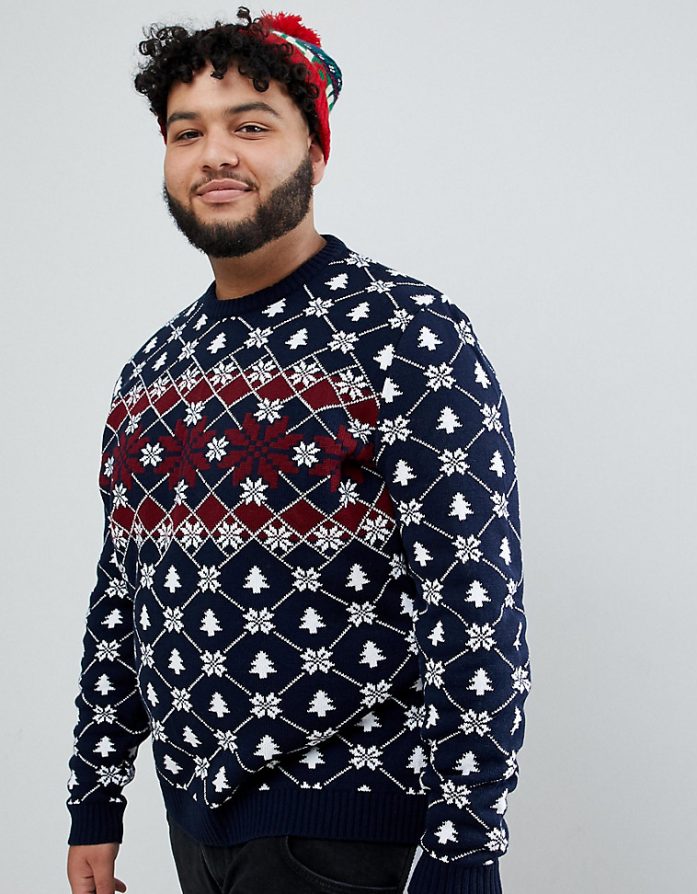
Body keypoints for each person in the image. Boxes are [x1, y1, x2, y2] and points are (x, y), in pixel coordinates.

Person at [65, 8, 531, 894]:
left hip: (354, 830)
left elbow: (474, 603)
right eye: (187, 132)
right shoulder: (152, 369)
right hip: (193, 829)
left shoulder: (405, 334)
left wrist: (465, 850)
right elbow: (123, 594)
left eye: (251, 126)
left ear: (316, 152)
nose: (215, 155)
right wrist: (96, 799)